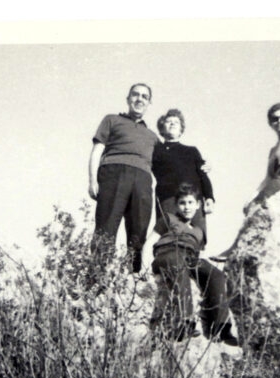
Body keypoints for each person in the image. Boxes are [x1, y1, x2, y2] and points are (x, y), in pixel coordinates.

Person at [150, 183, 237, 345]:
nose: (186, 207)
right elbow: (151, 241)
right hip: (168, 253)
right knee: (178, 266)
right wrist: (143, 266)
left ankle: (221, 327)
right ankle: (184, 322)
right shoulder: (169, 219)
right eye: (182, 203)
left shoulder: (198, 231)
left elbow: (199, 255)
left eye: (190, 203)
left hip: (189, 257)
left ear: (198, 205)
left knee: (216, 275)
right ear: (176, 205)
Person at [88, 83, 158, 274]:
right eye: (135, 95)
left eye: (144, 96)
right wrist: (92, 180)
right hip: (114, 174)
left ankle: (132, 282)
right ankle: (96, 281)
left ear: (149, 103)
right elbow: (98, 149)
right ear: (128, 99)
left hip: (143, 180)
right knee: (106, 228)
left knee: (139, 230)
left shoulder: (153, 137)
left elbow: (167, 167)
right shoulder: (112, 120)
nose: (139, 99)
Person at [151, 109, 215, 248]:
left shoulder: (192, 151)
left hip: (193, 200)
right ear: (162, 128)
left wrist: (209, 197)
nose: (172, 124)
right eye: (169, 121)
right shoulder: (156, 150)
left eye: (176, 122)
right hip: (169, 199)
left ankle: (194, 268)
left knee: (196, 238)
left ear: (181, 129)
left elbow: (203, 174)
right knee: (169, 238)